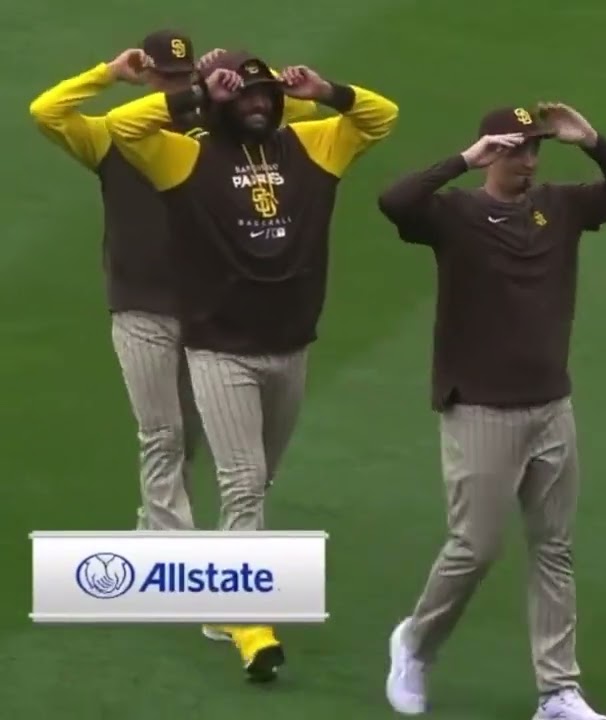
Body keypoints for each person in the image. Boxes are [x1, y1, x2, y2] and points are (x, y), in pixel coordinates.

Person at [104, 54, 398, 682]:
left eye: (265, 93)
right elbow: (122, 128)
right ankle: (251, 627)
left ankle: (218, 596)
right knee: (242, 481)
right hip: (220, 350)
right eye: (244, 96)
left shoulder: (313, 145)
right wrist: (196, 95)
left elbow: (381, 117)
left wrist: (326, 89)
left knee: (259, 481)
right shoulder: (184, 156)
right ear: (221, 105)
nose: (258, 104)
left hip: (290, 345)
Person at [377, 102, 606, 718]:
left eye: (533, 148)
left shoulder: (560, 206)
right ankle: (415, 643)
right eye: (513, 148)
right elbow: (395, 202)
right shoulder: (454, 215)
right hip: (480, 408)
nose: (527, 160)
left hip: (551, 405)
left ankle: (557, 691)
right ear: (490, 153)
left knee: (554, 548)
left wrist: (593, 141)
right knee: (474, 547)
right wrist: (462, 160)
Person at [28, 34, 318, 535]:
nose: (173, 85)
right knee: (162, 432)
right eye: (166, 76)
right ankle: (167, 537)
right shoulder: (111, 136)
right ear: (148, 75)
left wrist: (238, 80)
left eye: (182, 76)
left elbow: (294, 112)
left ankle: (164, 529)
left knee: (191, 435)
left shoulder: (213, 130)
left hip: (207, 309)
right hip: (141, 309)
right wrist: (108, 72)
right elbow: (46, 112)